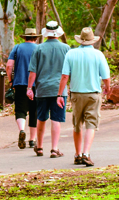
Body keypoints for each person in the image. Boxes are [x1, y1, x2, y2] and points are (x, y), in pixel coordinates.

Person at [57, 27, 111, 167]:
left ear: (80, 40)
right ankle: (86, 153)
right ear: (92, 41)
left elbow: (64, 76)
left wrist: (59, 94)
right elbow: (106, 77)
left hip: (76, 94)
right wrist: (108, 89)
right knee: (91, 124)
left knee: (77, 124)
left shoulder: (71, 54)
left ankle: (78, 154)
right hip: (93, 94)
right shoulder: (98, 55)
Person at [26, 23, 71, 158]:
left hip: (42, 89)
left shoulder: (39, 49)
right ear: (58, 33)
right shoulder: (66, 48)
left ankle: (39, 147)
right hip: (59, 90)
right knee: (56, 119)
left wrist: (29, 88)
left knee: (41, 118)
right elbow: (69, 72)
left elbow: (33, 71)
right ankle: (54, 148)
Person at [6, 29, 39, 150]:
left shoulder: (17, 47)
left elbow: (9, 66)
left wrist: (11, 81)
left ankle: (21, 130)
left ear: (24, 37)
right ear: (35, 38)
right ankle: (32, 139)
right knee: (34, 110)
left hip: (20, 83)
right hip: (36, 84)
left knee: (20, 109)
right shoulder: (38, 48)